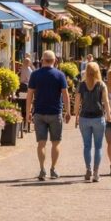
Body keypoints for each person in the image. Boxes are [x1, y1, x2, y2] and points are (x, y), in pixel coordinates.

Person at [27, 50, 70, 181]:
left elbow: (29, 95)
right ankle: (53, 169)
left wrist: (28, 111)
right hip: (55, 112)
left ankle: (42, 169)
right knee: (55, 143)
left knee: (41, 144)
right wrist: (68, 111)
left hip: (39, 113)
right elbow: (65, 95)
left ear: (42, 60)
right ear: (54, 61)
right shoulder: (60, 75)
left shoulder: (35, 75)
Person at [72, 61, 110, 182]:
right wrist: (108, 113)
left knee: (87, 146)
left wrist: (76, 116)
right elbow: (106, 101)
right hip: (98, 117)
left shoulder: (81, 85)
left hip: (84, 118)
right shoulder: (101, 84)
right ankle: (96, 173)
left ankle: (88, 169)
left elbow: (77, 102)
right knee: (98, 146)